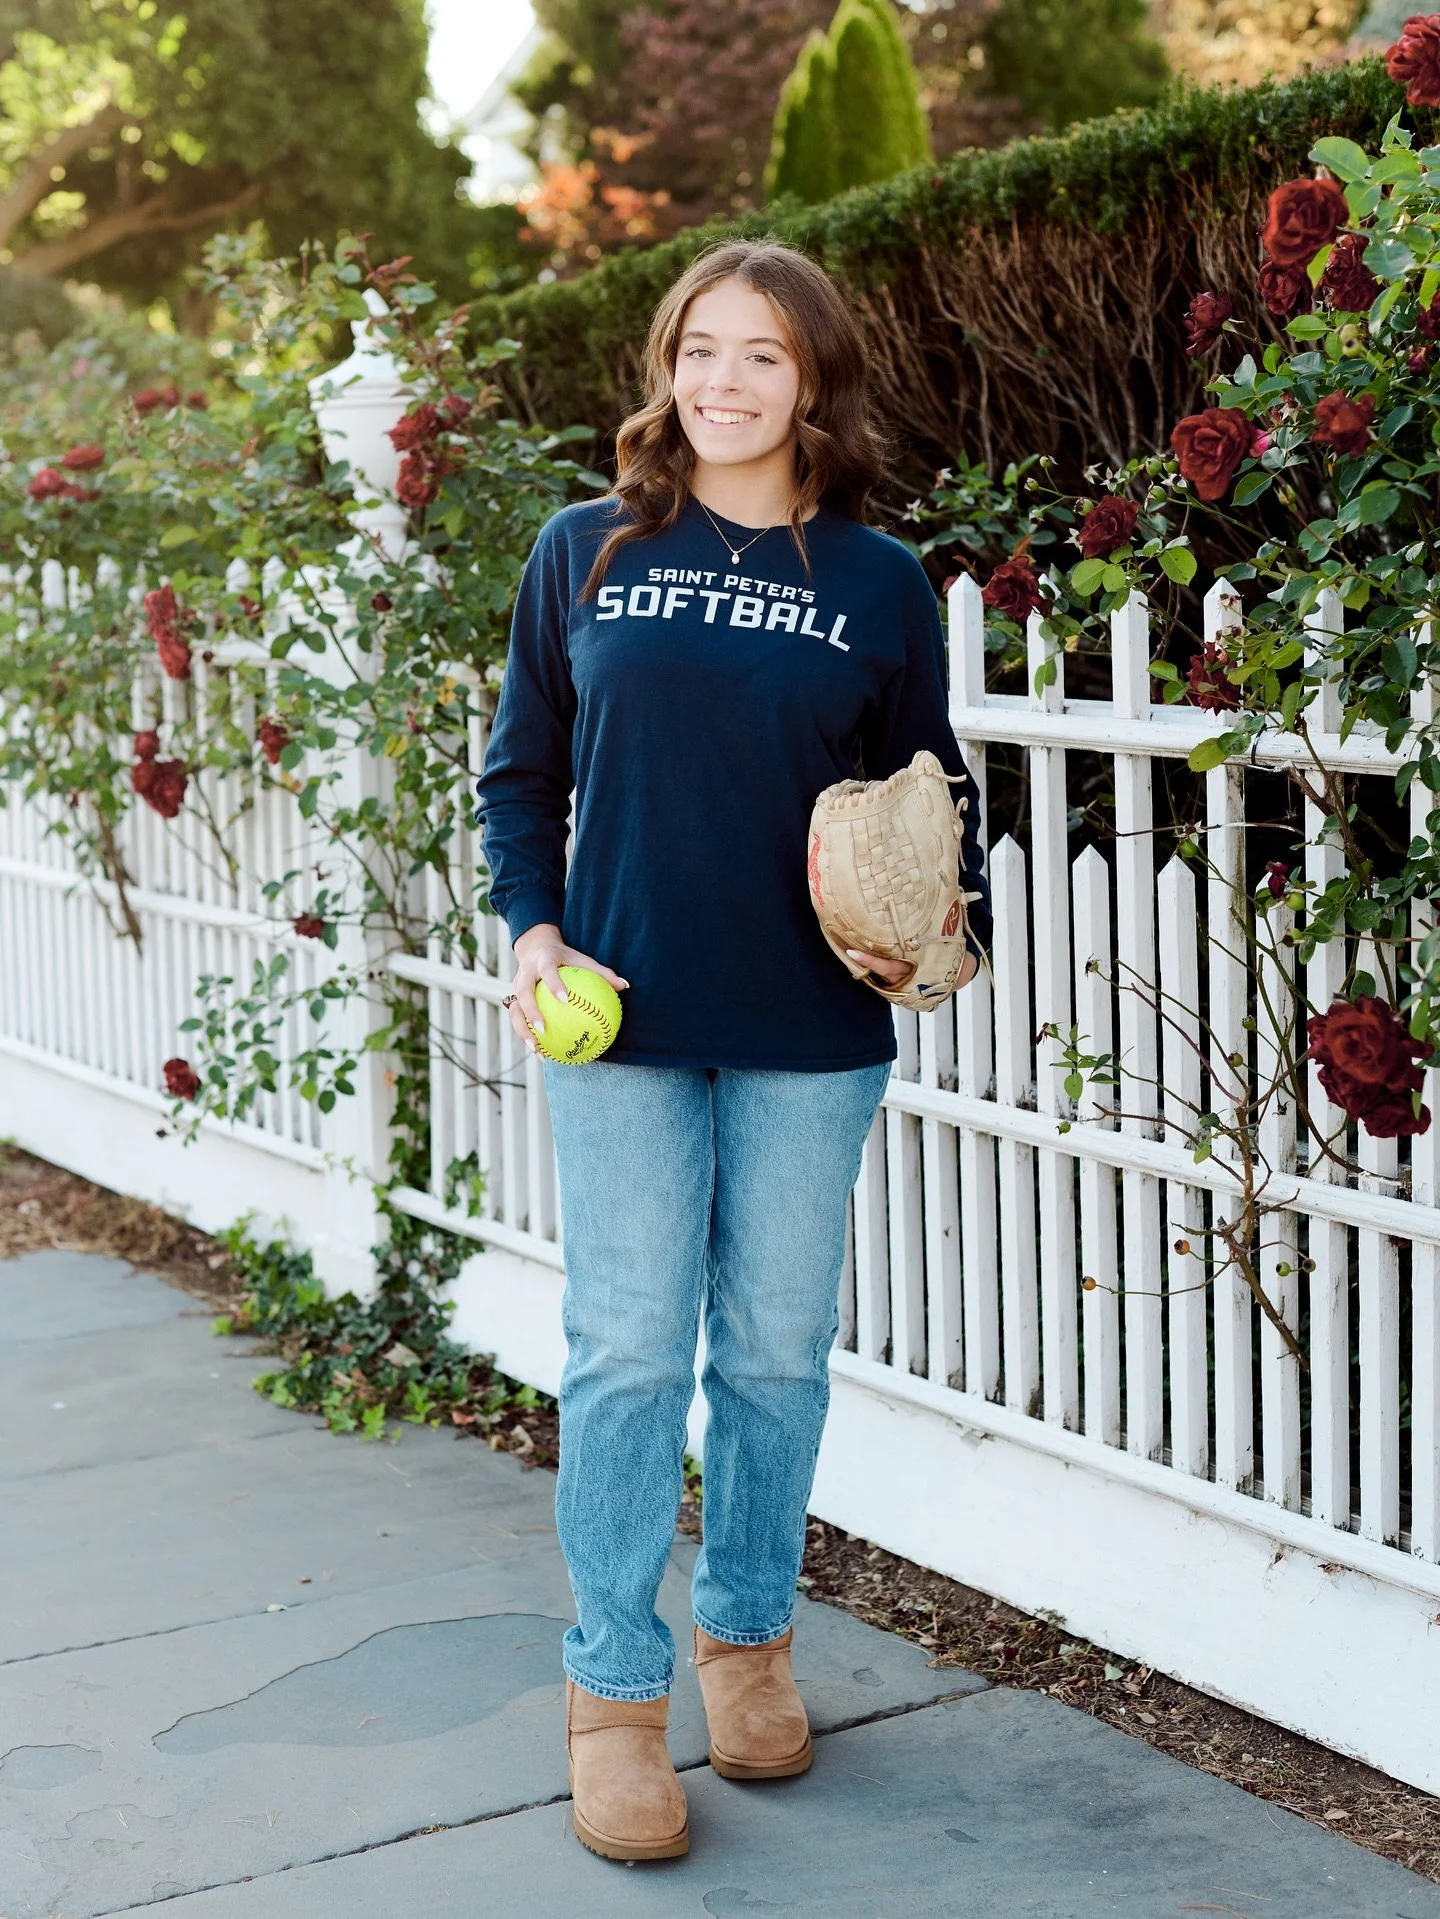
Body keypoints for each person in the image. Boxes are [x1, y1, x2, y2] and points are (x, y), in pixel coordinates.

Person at [473, 238, 991, 1864]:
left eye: (763, 354)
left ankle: (749, 1642)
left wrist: (935, 908)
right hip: (618, 1017)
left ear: (814, 379)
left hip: (807, 1030)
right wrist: (532, 927)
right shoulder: (587, 551)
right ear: (665, 365)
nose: (724, 380)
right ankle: (616, 1694)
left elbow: (933, 798)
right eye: (701, 347)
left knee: (770, 1349)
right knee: (629, 1352)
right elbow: (518, 775)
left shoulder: (877, 579)